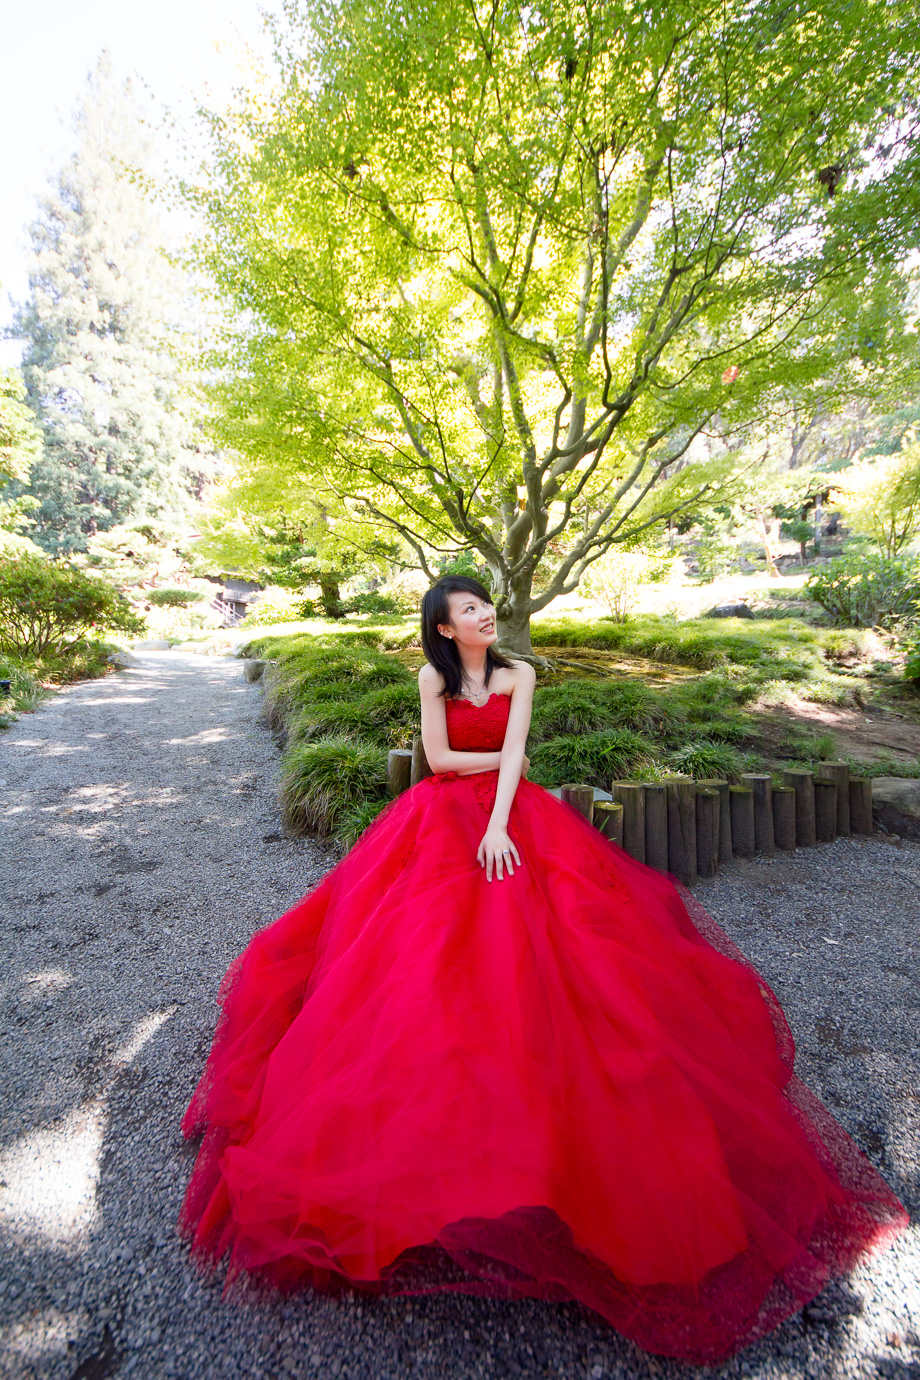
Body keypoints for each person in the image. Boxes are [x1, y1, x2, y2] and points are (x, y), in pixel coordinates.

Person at [180, 575, 908, 1364]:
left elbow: (512, 756)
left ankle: (553, 1156)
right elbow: (436, 759)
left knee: (572, 966)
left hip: (509, 818)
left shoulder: (518, 672)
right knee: (424, 968)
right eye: (467, 610)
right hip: (432, 822)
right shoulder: (433, 676)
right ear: (443, 625)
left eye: (485, 605)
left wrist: (496, 823)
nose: (484, 615)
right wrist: (473, 774)